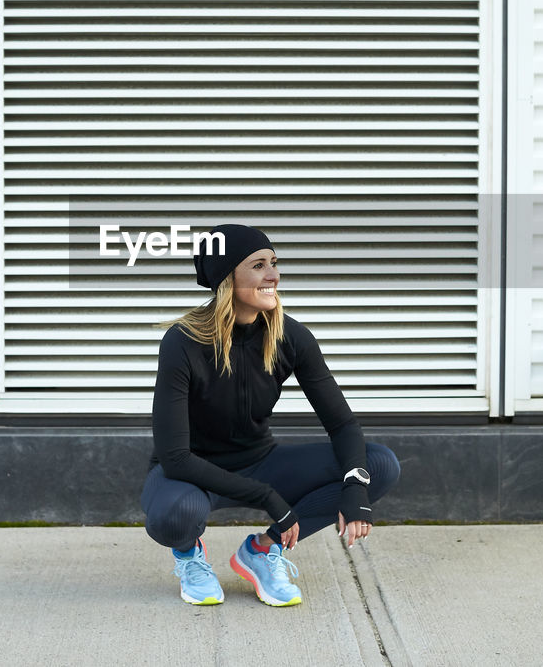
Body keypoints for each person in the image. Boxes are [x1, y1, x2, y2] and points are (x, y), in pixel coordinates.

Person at [140, 224, 401, 607]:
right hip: (192, 473)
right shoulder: (183, 342)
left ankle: (263, 551)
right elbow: (176, 458)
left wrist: (355, 485)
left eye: (274, 263)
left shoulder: (290, 337)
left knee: (378, 464)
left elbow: (343, 424)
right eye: (259, 265)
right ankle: (189, 555)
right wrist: (268, 498)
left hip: (260, 461)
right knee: (175, 514)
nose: (273, 275)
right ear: (228, 278)